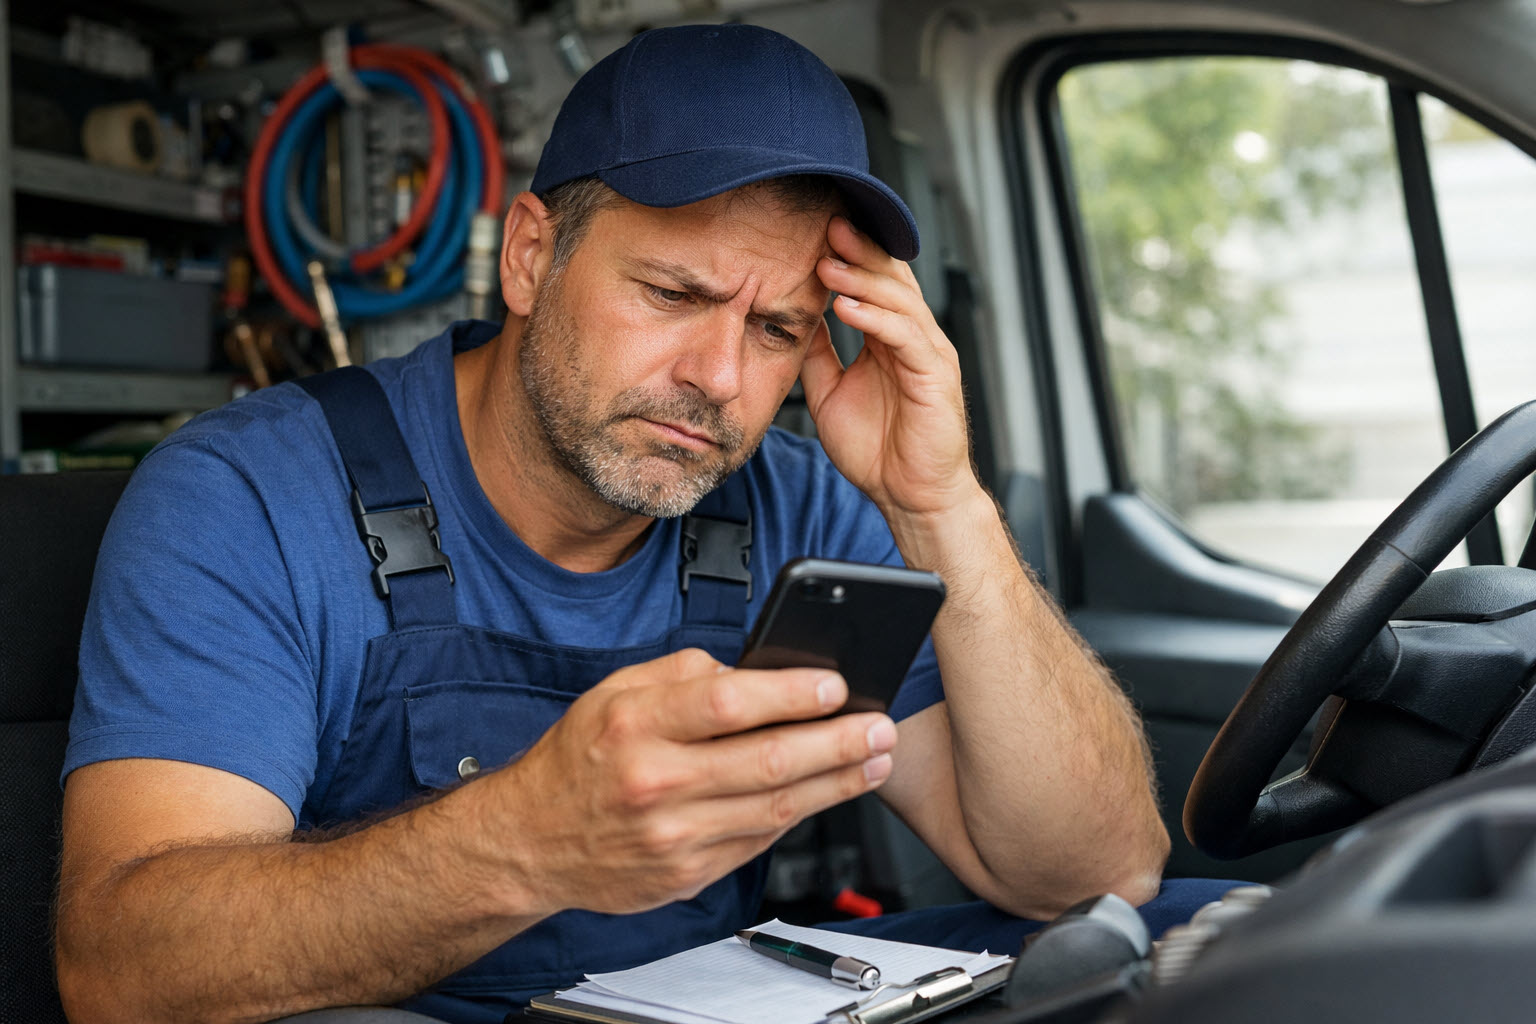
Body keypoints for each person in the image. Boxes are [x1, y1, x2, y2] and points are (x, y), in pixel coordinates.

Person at [53, 23, 1208, 1024]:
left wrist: (939, 503)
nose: (715, 375)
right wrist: (526, 839)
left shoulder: (800, 507)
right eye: (673, 294)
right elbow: (119, 973)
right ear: (530, 254)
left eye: (776, 331)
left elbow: (1093, 875)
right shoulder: (252, 496)